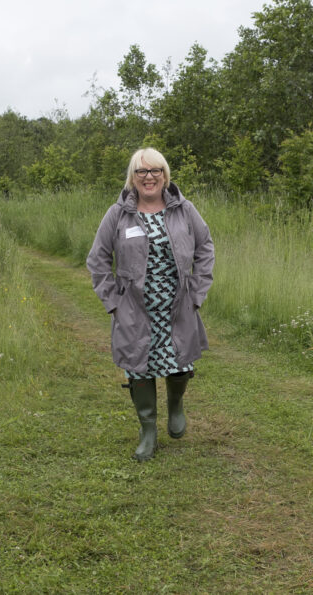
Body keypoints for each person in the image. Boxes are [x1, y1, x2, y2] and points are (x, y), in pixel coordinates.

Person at [87, 147, 214, 461]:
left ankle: (176, 405)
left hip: (177, 304)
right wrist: (113, 301)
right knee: (138, 368)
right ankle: (148, 431)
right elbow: (97, 259)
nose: (149, 177)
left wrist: (197, 291)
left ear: (165, 174)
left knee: (179, 362)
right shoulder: (118, 214)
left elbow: (205, 247)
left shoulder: (185, 210)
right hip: (135, 308)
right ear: (133, 176)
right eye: (142, 171)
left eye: (155, 170)